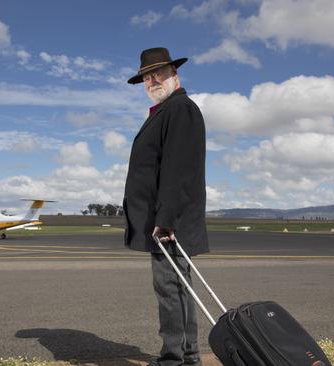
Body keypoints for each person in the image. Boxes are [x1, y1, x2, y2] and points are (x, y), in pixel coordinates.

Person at [123, 47, 209, 366]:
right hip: (165, 218)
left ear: (175, 73)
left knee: (170, 290)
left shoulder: (180, 109)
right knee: (177, 288)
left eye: (158, 73)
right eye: (147, 76)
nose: (152, 80)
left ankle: (173, 359)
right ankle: (187, 357)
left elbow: (178, 168)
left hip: (169, 221)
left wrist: (166, 218)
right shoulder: (166, 111)